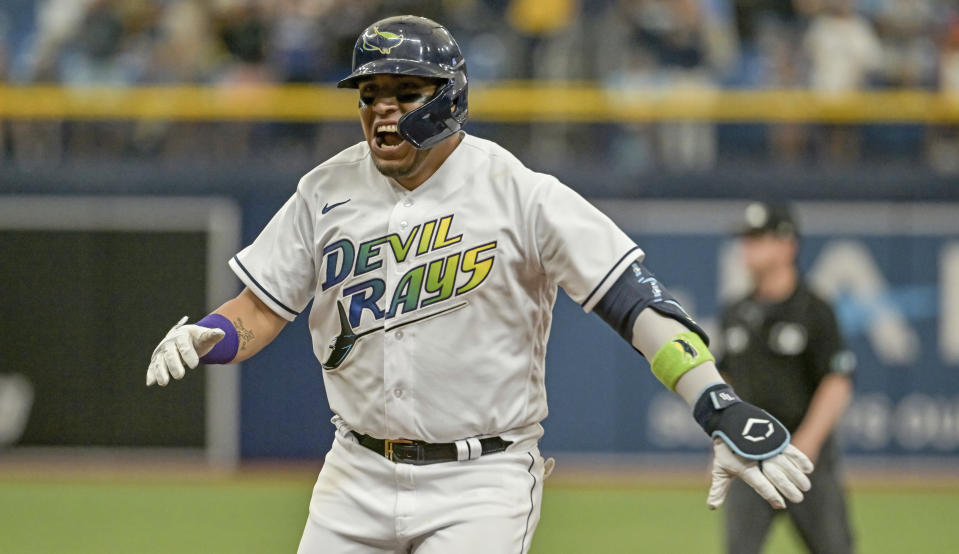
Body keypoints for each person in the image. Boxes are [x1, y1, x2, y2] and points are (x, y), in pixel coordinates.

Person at [145, 16, 814, 553]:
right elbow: (261, 308)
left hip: (480, 479)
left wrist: (715, 404)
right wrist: (212, 334)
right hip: (354, 471)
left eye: (405, 94)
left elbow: (636, 307)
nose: (382, 111)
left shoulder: (517, 193)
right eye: (370, 94)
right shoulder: (324, 189)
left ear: (448, 99)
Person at [719, 201, 855, 554]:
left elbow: (836, 381)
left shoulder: (815, 310)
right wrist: (721, 439)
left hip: (805, 459)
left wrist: (804, 445)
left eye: (758, 237)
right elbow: (724, 380)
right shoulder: (736, 312)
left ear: (787, 245)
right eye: (746, 238)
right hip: (751, 458)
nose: (747, 246)